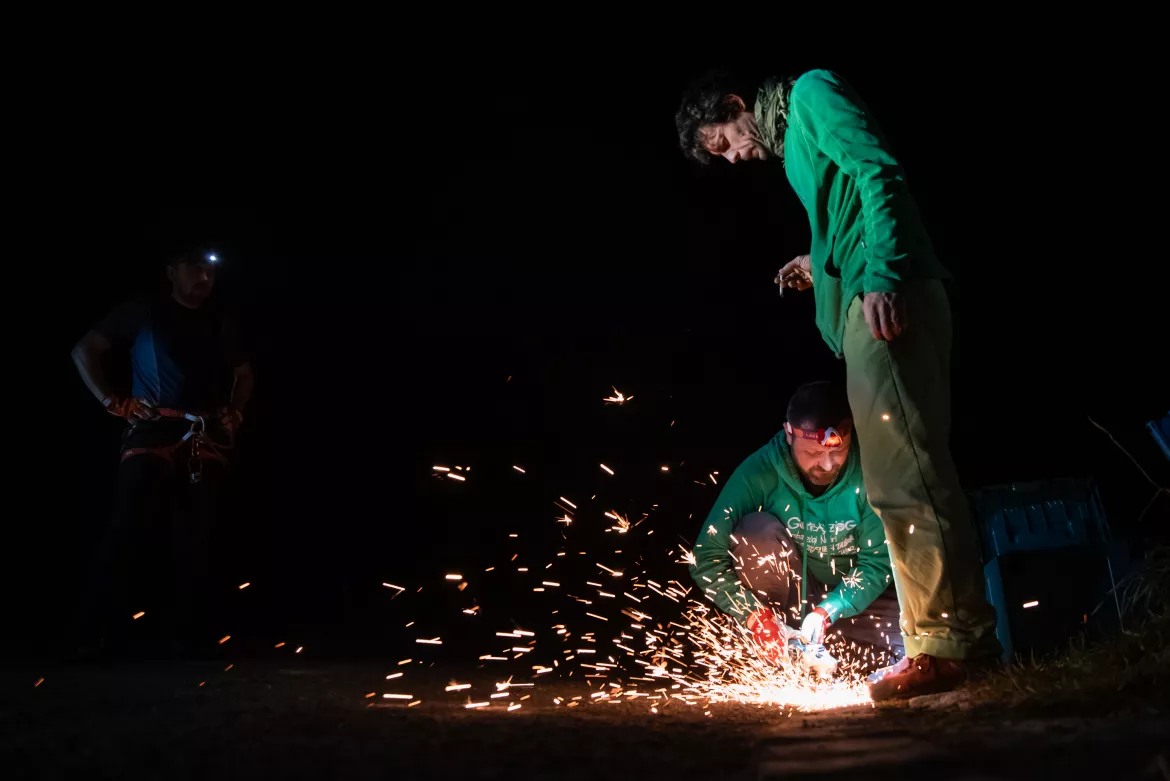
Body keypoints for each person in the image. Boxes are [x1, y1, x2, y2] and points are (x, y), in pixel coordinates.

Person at [677, 69, 1001, 700]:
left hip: (880, 296)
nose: (737, 156)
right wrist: (816, 261)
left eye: (725, 141)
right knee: (907, 472)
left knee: (901, 476)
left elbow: (877, 170)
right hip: (860, 288)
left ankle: (943, 646)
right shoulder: (797, 132)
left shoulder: (809, 94)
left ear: (736, 104)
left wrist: (880, 271)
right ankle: (958, 641)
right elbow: (845, 209)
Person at [71, 246, 254, 655]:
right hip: (152, 431)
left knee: (198, 535)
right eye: (194, 268)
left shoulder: (219, 322)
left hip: (202, 434)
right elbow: (83, 351)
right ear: (171, 272)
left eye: (209, 271)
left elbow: (244, 374)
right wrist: (113, 402)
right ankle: (93, 635)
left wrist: (235, 412)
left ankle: (192, 640)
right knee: (127, 526)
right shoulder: (142, 312)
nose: (204, 278)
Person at [690, 381, 901, 679]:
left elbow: (878, 564)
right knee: (755, 532)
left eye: (838, 450)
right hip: (790, 601)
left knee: (906, 655)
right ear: (789, 433)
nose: (828, 465)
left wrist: (828, 611)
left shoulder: (871, 470)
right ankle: (776, 645)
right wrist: (755, 616)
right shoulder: (759, 471)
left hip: (857, 602)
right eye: (814, 453)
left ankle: (837, 649)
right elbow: (705, 557)